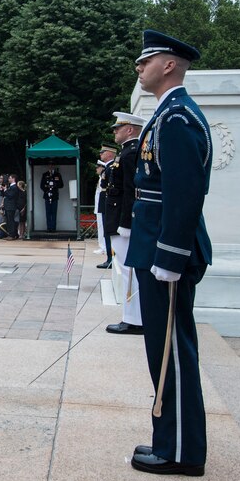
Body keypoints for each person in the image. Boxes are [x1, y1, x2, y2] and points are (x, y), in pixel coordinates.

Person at [126, 30, 211, 477]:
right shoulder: (167, 115)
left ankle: (181, 452)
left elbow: (184, 194)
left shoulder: (177, 118)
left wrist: (171, 256)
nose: (139, 68)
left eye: (146, 61)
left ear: (170, 65)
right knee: (163, 350)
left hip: (166, 251)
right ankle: (170, 439)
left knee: (172, 353)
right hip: (155, 247)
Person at [104, 113, 146, 334]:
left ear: (130, 130)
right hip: (118, 219)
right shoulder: (127, 152)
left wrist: (126, 223)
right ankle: (132, 317)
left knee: (129, 272)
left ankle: (134, 320)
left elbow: (131, 191)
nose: (115, 132)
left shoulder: (131, 154)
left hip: (122, 221)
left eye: (118, 129)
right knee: (127, 270)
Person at [96, 146, 117, 269]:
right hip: (106, 204)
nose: (100, 154)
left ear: (109, 154)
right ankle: (110, 258)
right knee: (107, 233)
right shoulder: (109, 168)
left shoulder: (111, 168)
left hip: (108, 204)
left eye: (102, 152)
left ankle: (111, 259)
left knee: (109, 233)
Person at [40, 163, 64, 232]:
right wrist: (47, 190)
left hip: (54, 196)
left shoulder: (57, 174)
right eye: (49, 165)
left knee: (54, 212)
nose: (50, 166)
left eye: (52, 165)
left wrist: (55, 185)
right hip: (47, 196)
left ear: (53, 166)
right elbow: (42, 186)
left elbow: (61, 185)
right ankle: (49, 228)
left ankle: (53, 228)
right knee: (48, 212)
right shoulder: (45, 174)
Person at [0, 174, 20, 240]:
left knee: (11, 221)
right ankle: (12, 234)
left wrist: (5, 190)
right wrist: (2, 190)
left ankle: (12, 235)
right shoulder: (10, 187)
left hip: (11, 206)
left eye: (10, 178)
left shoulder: (14, 187)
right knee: (9, 221)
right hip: (8, 206)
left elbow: (10, 195)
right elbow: (5, 194)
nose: (8, 179)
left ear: (13, 179)